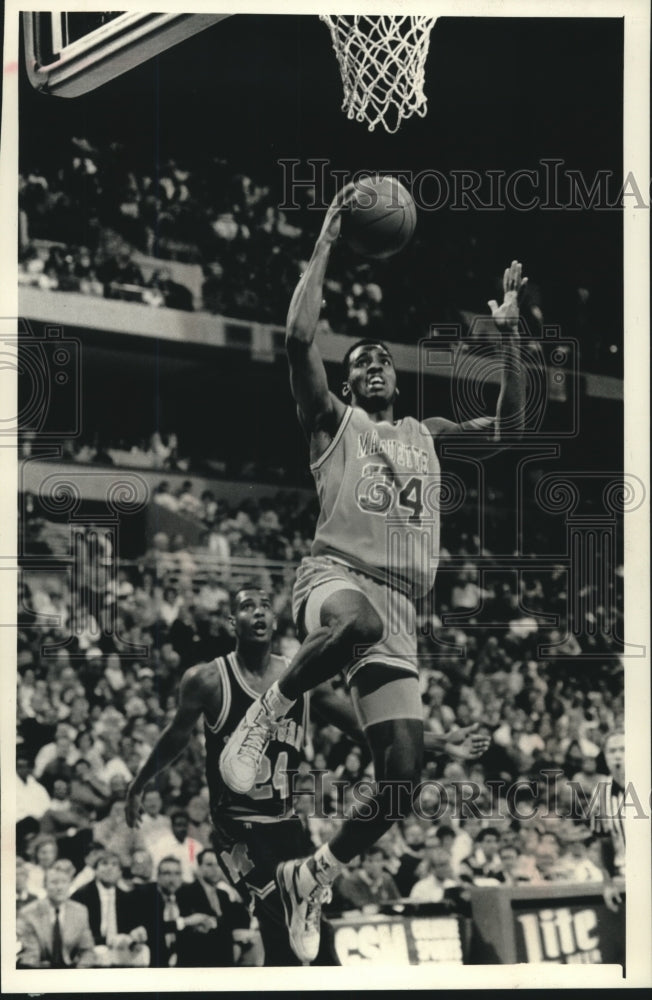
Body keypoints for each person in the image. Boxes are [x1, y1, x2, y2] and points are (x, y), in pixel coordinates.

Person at [218, 186, 523, 961]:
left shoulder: (427, 433)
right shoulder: (332, 423)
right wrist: (325, 238)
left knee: (404, 775)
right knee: (352, 622)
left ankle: (312, 875)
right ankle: (263, 724)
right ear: (350, 384)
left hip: (403, 608)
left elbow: (516, 425)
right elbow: (295, 340)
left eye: (385, 358)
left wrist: (511, 336)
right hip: (335, 577)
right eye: (364, 361)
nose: (377, 364)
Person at [125, 586, 484, 966]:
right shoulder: (208, 680)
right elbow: (175, 737)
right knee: (279, 931)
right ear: (233, 621)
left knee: (320, 946)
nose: (259, 613)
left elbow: (358, 726)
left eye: (265, 606)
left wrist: (441, 742)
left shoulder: (301, 677)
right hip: (236, 830)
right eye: (248, 607)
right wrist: (139, 783)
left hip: (287, 827)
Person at [176, 848, 252, 967]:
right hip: (198, 959)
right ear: (199, 867)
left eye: (218, 865)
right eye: (209, 865)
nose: (215, 869)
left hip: (224, 958)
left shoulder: (223, 894)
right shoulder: (186, 892)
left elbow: (241, 920)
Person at [17, 865, 94, 968]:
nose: (59, 887)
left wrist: (80, 971)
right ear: (45, 886)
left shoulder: (80, 911)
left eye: (64, 882)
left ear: (69, 885)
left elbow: (87, 950)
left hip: (72, 970)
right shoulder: (29, 913)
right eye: (54, 882)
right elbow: (30, 954)